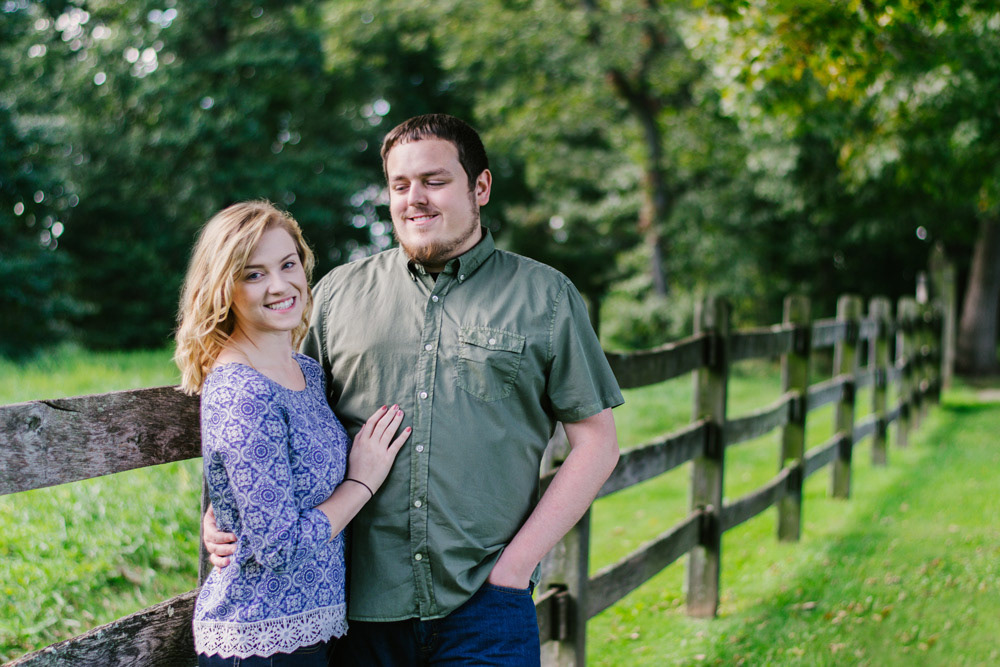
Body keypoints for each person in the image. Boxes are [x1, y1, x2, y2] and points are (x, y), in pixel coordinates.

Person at [205, 115, 623, 666]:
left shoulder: (544, 297)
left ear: (481, 187)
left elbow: (597, 443)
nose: (414, 199)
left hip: (485, 602)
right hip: (357, 608)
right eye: (400, 185)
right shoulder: (334, 296)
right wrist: (226, 509)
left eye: (434, 181)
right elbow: (280, 416)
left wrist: (514, 568)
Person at [175, 201, 410, 666]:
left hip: (311, 632)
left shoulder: (304, 370)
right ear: (224, 288)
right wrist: (361, 483)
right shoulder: (242, 390)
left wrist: (225, 508)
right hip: (259, 639)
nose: (281, 285)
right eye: (253, 274)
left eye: (287, 264)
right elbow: (278, 545)